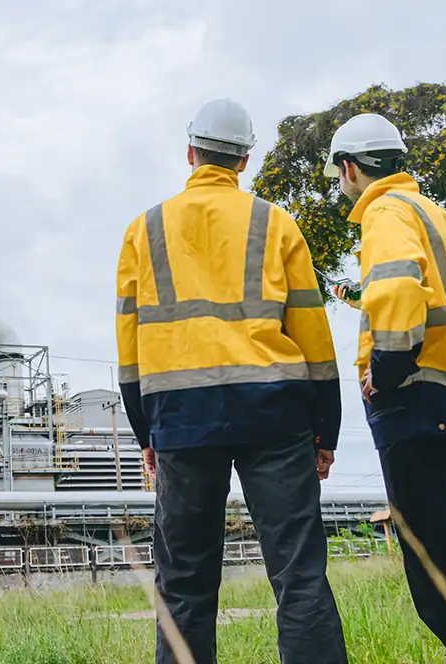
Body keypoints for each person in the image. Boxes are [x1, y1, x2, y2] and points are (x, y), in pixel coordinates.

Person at [116, 97, 349, 664]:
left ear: (190, 152)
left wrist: (147, 433)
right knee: (299, 575)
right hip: (276, 414)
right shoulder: (276, 224)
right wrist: (329, 432)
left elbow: (129, 350)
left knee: (184, 585)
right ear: (244, 160)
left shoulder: (143, 231)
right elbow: (316, 340)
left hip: (181, 420)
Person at [326, 112, 446, 664]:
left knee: (444, 584)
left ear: (349, 169)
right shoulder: (440, 217)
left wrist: (384, 371)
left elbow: (395, 290)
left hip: (422, 407)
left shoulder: (385, 212)